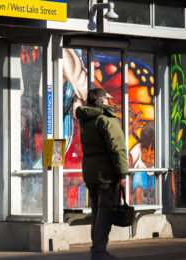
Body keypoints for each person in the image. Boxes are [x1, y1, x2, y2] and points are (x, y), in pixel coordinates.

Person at [76, 88, 129, 260]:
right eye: (107, 98)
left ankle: (97, 249)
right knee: (105, 213)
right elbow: (117, 148)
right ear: (103, 100)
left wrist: (103, 100)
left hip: (91, 173)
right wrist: (122, 173)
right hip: (106, 174)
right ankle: (98, 252)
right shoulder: (106, 119)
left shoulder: (86, 118)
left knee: (97, 213)